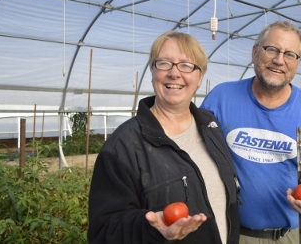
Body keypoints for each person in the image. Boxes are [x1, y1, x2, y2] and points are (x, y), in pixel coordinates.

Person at [201, 21, 301, 243]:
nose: (279, 60)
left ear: (298, 63)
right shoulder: (221, 98)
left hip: (289, 236)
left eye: (290, 54)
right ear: (255, 52)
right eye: (271, 49)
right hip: (230, 234)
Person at [88, 31, 240, 244]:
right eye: (164, 63)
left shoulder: (210, 125)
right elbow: (103, 232)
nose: (174, 73)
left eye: (186, 65)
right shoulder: (123, 147)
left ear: (200, 77)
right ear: (152, 71)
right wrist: (152, 229)